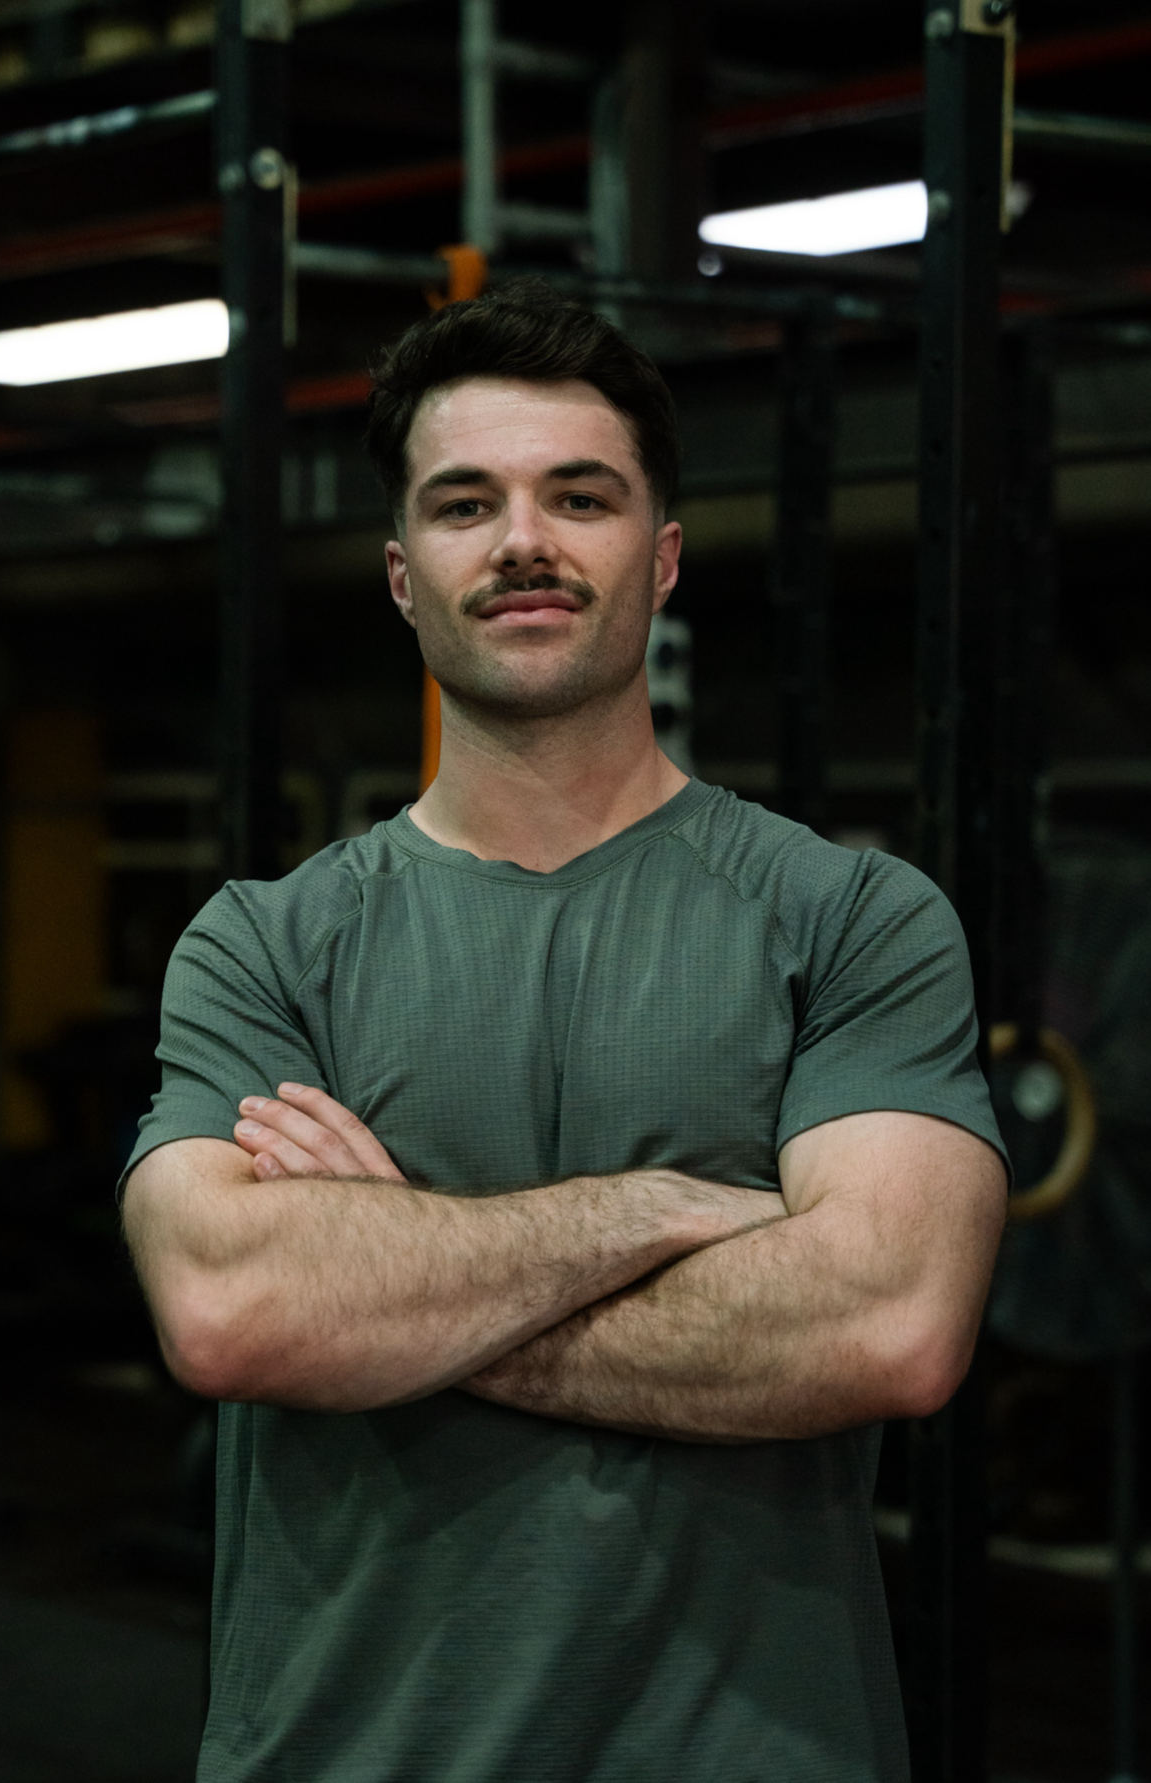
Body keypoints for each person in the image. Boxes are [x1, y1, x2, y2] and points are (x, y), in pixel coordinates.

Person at [122, 281, 1008, 1783]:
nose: (523, 539)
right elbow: (231, 1313)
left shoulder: (853, 918)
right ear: (405, 577)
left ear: (658, 560)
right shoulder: (264, 945)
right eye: (466, 504)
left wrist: (393, 1277)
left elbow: (888, 1325)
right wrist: (656, 1209)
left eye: (578, 496)